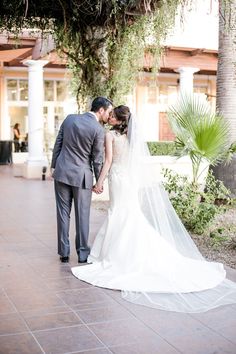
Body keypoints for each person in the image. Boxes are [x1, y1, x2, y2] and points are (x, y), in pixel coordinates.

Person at [72, 105, 236, 313]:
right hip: (128, 181)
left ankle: (114, 256)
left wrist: (99, 182)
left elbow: (109, 161)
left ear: (120, 121)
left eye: (113, 116)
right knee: (128, 214)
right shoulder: (131, 137)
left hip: (118, 179)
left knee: (119, 213)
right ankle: (117, 253)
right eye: (110, 115)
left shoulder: (109, 135)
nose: (109, 118)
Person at [51, 97, 113, 263]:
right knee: (82, 215)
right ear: (101, 110)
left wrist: (53, 166)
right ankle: (82, 254)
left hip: (62, 171)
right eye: (108, 112)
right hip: (82, 177)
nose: (109, 115)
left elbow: (58, 142)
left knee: (63, 214)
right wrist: (99, 182)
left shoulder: (70, 119)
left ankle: (64, 253)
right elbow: (97, 159)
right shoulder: (98, 130)